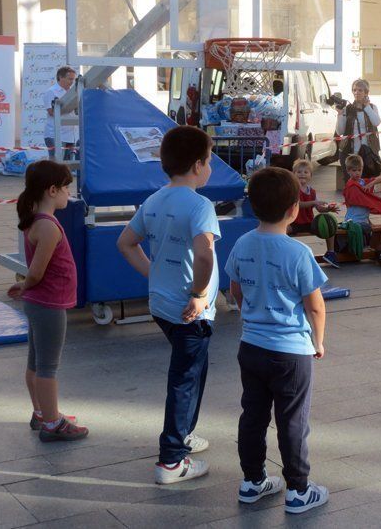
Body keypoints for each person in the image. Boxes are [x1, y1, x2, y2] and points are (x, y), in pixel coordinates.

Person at [116, 125, 220, 485]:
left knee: (193, 371)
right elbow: (205, 254)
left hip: (163, 305)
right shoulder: (200, 205)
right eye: (209, 161)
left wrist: (154, 273)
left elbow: (126, 243)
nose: (210, 168)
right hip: (190, 310)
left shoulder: (155, 200)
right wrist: (198, 292)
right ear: (196, 165)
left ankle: (184, 435)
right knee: (185, 380)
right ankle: (172, 460)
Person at [226, 167, 330, 515]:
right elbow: (315, 305)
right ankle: (298, 490)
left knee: (252, 415)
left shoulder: (242, 243)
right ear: (294, 210)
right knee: (292, 421)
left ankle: (253, 481)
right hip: (291, 353)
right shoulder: (298, 253)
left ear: (252, 207)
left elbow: (235, 290)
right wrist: (318, 341)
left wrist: (251, 316)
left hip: (252, 347)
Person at [8, 160, 89, 442]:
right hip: (48, 304)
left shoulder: (35, 221)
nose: (69, 193)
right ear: (52, 190)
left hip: (39, 302)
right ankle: (53, 423)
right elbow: (37, 271)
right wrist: (24, 284)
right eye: (67, 188)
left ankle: (41, 413)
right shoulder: (49, 227)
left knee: (36, 362)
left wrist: (26, 287)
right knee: (48, 367)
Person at [288, 158, 340, 268]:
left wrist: (328, 209)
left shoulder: (312, 191)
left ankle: (330, 252)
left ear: (310, 175)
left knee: (329, 223)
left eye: (305, 172)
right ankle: (282, 254)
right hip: (294, 222)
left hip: (308, 222)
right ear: (294, 174)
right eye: (299, 172)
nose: (302, 174)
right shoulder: (293, 189)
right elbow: (298, 204)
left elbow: (319, 208)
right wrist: (314, 202)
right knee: (282, 230)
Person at [336, 79, 381, 181]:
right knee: (350, 184)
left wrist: (367, 107)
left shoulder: (372, 107)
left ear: (366, 92)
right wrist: (340, 114)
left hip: (368, 151)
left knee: (366, 183)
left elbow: (376, 122)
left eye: (360, 90)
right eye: (354, 90)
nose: (357, 92)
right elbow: (340, 132)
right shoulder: (347, 108)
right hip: (349, 151)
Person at [340, 154, 381, 251]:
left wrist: (370, 184)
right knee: (365, 229)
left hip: (363, 219)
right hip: (353, 220)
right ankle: (363, 248)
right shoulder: (350, 185)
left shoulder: (363, 182)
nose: (357, 173)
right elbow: (359, 202)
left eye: (359, 170)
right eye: (354, 170)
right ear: (348, 171)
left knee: (368, 229)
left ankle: (366, 247)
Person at [43, 66, 78, 161]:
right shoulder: (51, 92)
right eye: (69, 79)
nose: (72, 82)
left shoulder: (74, 92)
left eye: (73, 79)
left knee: (68, 166)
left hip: (71, 135)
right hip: (55, 135)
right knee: (55, 164)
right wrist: (68, 107)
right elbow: (51, 112)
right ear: (60, 77)